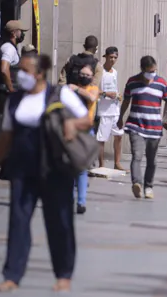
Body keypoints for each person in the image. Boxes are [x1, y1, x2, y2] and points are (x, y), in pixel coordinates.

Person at [0, 53, 90, 292]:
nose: (19, 75)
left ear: (39, 73)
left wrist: (72, 124)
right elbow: (6, 135)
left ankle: (64, 274)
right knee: (18, 221)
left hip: (55, 168)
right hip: (23, 167)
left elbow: (86, 119)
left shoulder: (59, 94)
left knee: (59, 221)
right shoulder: (15, 100)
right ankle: (12, 275)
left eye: (24, 70)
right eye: (18, 70)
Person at [119, 56, 167, 199]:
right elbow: (126, 101)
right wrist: (120, 117)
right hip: (135, 125)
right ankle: (137, 183)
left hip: (154, 127)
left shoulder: (162, 83)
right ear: (143, 69)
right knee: (137, 156)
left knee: (152, 160)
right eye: (150, 71)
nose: (152, 73)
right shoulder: (132, 82)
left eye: (154, 71)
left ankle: (149, 186)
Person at [69, 65, 98, 214]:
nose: (85, 77)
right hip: (70, 130)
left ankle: (81, 202)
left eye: (88, 75)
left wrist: (75, 89)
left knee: (81, 169)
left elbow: (91, 98)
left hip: (86, 131)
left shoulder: (93, 89)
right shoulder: (69, 89)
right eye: (82, 74)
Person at [97, 46, 125, 170]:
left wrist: (118, 96)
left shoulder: (115, 72)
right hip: (103, 110)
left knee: (119, 135)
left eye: (115, 57)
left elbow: (115, 87)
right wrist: (105, 94)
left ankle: (117, 162)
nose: (113, 60)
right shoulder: (100, 71)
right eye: (111, 57)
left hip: (115, 109)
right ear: (106, 57)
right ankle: (101, 164)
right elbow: (94, 89)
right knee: (101, 138)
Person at [0, 20, 28, 105]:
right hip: (6, 95)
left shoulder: (10, 47)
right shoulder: (9, 48)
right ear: (14, 33)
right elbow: (4, 70)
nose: (22, 34)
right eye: (21, 31)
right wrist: (11, 90)